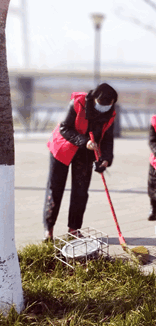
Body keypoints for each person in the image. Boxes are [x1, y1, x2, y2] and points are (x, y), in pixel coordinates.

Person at [43, 83, 118, 240]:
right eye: (102, 104)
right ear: (95, 99)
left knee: (81, 191)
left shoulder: (110, 113)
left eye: (108, 105)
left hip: (86, 153)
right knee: (55, 189)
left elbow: (107, 139)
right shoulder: (78, 103)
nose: (104, 107)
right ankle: (49, 230)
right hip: (63, 148)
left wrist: (105, 159)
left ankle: (74, 229)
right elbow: (64, 128)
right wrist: (84, 141)